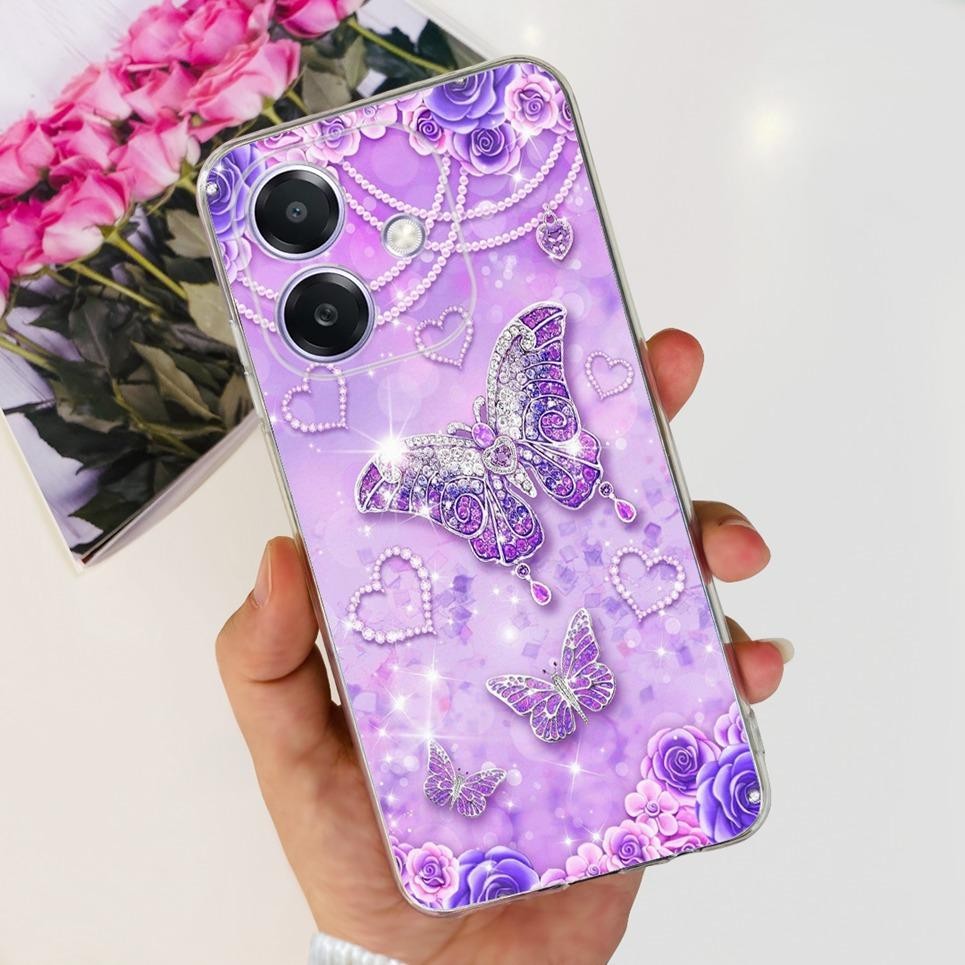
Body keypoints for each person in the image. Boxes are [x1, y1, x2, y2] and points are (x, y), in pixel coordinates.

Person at [216, 329, 792, 964]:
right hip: (524, 481)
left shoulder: (450, 437)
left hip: (525, 482)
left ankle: (586, 521)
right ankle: (588, 515)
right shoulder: (451, 440)